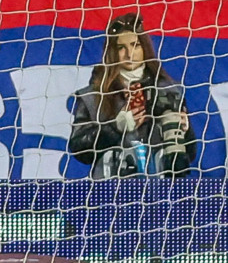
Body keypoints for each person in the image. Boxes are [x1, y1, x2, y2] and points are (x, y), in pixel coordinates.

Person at [68, 13, 197, 179]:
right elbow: (80, 150)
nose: (129, 53)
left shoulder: (170, 90)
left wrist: (185, 132)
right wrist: (115, 128)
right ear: (112, 52)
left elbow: (190, 155)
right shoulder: (93, 96)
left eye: (135, 45)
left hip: (162, 190)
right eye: (121, 47)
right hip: (111, 190)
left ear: (144, 48)